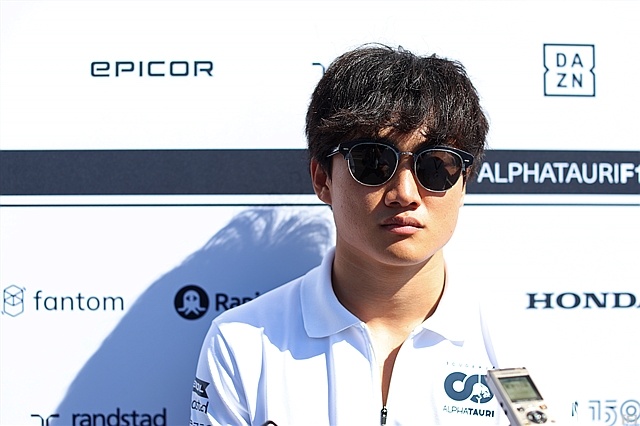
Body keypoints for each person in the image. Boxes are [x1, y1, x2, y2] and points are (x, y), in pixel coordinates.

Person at [190, 44, 509, 425]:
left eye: (436, 166)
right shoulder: (243, 343)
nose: (405, 193)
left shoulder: (520, 348)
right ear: (322, 179)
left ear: (464, 181)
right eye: (373, 162)